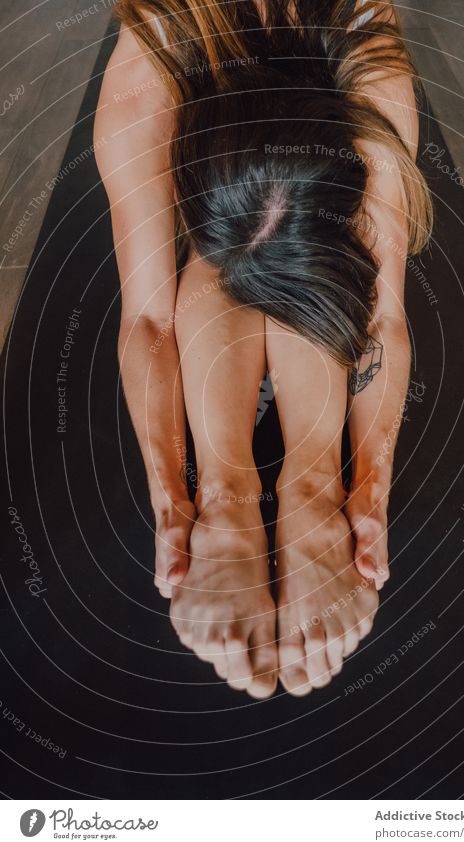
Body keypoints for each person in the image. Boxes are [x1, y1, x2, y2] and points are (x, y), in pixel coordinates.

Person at [94, 0, 433, 699]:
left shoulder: (367, 57)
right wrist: (181, 502)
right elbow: (153, 318)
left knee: (292, 262)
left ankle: (306, 488)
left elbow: (382, 316)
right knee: (248, 252)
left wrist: (360, 490)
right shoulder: (150, 67)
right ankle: (232, 493)